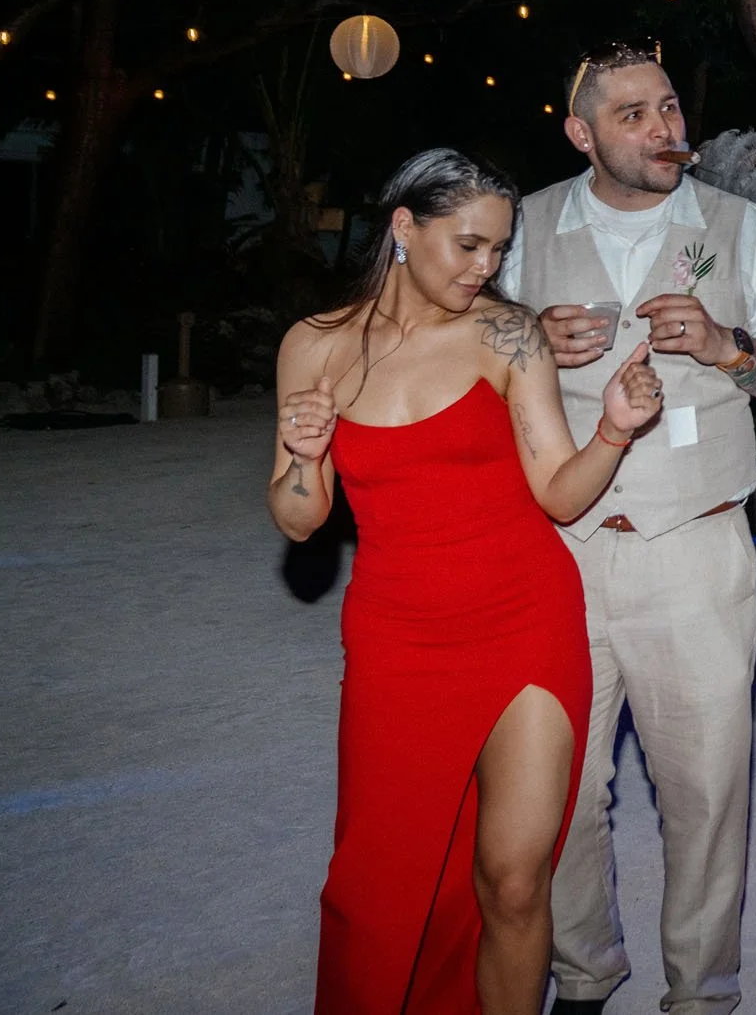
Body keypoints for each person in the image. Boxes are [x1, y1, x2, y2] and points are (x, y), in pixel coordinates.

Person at [272, 149, 665, 1015]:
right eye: (470, 245)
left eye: (499, 249)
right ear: (404, 228)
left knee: (515, 879)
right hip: (398, 636)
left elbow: (559, 491)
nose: (487, 267)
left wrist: (613, 429)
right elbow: (300, 518)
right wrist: (305, 456)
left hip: (526, 619)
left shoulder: (506, 334)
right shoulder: (316, 345)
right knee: (374, 886)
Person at [501, 42, 756, 1015]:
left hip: (696, 544)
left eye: (671, 106)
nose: (664, 128)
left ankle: (702, 994)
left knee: (707, 795)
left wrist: (728, 346)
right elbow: (461, 358)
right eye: (633, 113)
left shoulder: (739, 227)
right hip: (561, 545)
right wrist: (523, 341)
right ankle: (583, 973)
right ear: (581, 131)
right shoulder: (522, 226)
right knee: (557, 791)